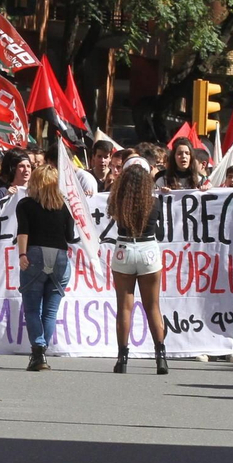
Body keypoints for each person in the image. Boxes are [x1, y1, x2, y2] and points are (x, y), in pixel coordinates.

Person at [107, 158, 167, 374]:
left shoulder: (117, 202)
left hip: (124, 248)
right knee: (153, 306)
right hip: (148, 249)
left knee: (124, 306)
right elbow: (161, 234)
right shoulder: (154, 203)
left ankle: (122, 358)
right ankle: (161, 357)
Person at [16, 162, 76, 371]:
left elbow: (23, 232)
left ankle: (38, 351)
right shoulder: (65, 206)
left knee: (32, 308)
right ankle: (42, 351)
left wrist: (22, 254)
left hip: (35, 254)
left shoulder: (25, 205)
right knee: (50, 311)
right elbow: (70, 237)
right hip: (60, 257)